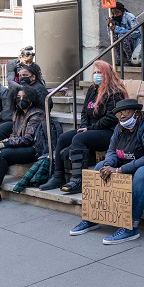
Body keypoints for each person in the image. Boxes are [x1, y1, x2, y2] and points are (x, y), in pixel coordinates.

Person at [68, 99, 144, 243]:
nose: (122, 116)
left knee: (143, 174)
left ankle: (130, 227)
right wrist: (109, 164)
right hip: (132, 164)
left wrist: (119, 169)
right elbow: (112, 151)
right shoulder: (119, 128)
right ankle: (93, 216)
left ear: (137, 113)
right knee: (99, 168)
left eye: (126, 112)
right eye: (119, 114)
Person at [39, 60, 128, 192]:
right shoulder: (93, 89)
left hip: (109, 132)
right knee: (64, 138)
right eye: (95, 73)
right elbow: (84, 112)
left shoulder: (115, 92)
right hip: (91, 129)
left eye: (100, 73)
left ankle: (78, 179)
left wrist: (89, 129)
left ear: (107, 74)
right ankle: (58, 175)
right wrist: (85, 126)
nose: (97, 75)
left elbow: (112, 117)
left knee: (79, 139)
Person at [108, 2, 141, 66]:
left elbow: (136, 33)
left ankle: (130, 59)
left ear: (122, 11)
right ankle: (120, 58)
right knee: (114, 36)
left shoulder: (130, 17)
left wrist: (118, 29)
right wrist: (109, 25)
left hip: (134, 41)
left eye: (117, 13)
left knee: (122, 36)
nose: (115, 15)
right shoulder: (113, 19)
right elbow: (110, 37)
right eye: (113, 13)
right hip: (122, 41)